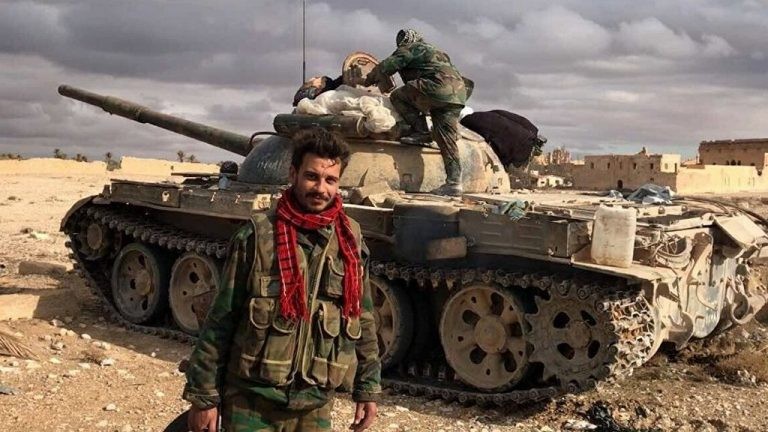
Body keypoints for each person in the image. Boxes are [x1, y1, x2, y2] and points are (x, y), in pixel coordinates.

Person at [183, 127, 381, 432]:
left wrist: (368, 387)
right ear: (293, 174)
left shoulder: (349, 240)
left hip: (314, 403)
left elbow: (362, 316)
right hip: (252, 402)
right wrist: (204, 396)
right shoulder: (258, 235)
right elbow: (222, 318)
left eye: (330, 180)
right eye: (312, 176)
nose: (321, 188)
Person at [364, 29, 472, 196]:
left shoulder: (412, 47)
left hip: (436, 89)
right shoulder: (438, 53)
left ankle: (421, 131)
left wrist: (368, 79)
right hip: (457, 96)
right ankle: (454, 183)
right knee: (446, 140)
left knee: (398, 96)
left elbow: (388, 66)